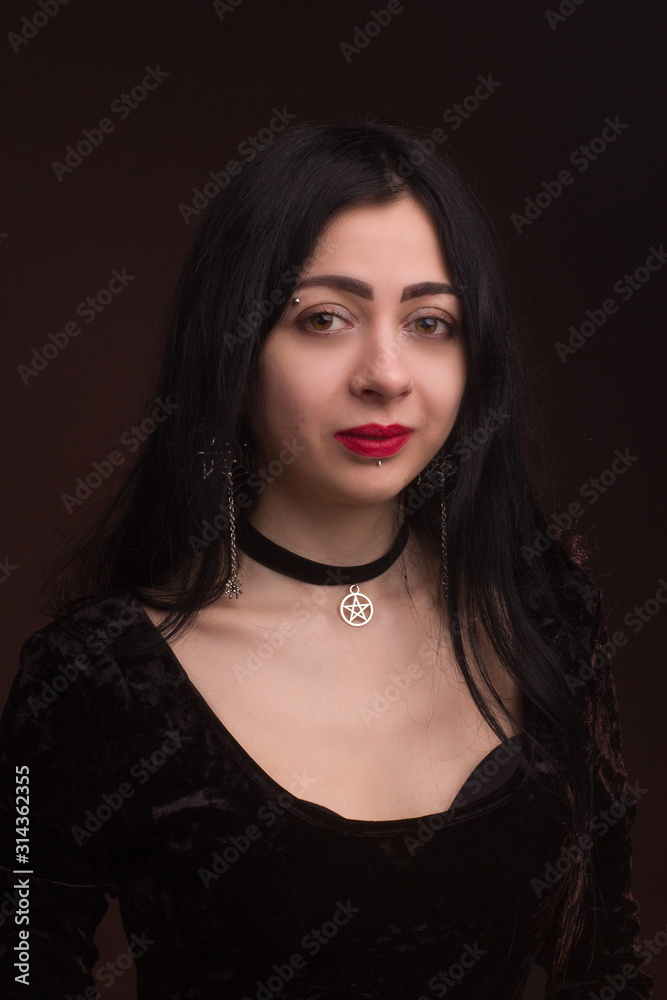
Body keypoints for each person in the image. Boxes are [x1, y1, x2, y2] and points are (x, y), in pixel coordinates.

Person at [0, 118, 653, 999]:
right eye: (325, 319)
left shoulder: (547, 615)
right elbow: (22, 961)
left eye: (429, 321)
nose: (385, 372)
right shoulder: (95, 680)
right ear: (233, 348)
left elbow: (603, 961)